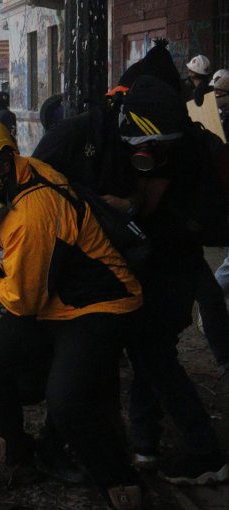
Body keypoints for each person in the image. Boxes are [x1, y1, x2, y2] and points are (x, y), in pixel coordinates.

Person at [0, 116, 145, 509]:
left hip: (98, 304)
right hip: (52, 300)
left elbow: (23, 302)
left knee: (67, 400)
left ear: (2, 168)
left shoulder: (32, 212)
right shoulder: (19, 174)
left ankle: (122, 486)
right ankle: (16, 459)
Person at [115, 76, 228, 484]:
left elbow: (187, 222)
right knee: (149, 358)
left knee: (155, 359)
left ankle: (207, 454)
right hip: (166, 270)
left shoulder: (187, 155)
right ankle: (146, 446)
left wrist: (135, 214)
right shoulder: (184, 146)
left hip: (172, 273)